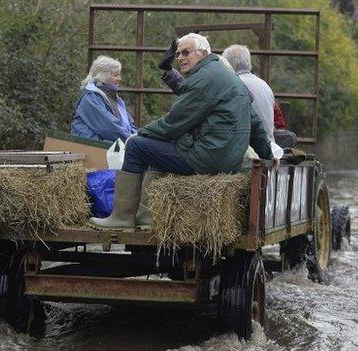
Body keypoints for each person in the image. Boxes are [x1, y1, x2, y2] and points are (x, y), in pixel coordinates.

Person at [89, 33, 272, 230]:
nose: (181, 58)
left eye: (186, 52)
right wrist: (268, 157)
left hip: (208, 157)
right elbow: (256, 125)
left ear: (203, 53)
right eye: (178, 54)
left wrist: (141, 133)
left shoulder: (204, 78)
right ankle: (144, 217)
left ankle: (122, 218)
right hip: (227, 159)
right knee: (156, 147)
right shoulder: (227, 77)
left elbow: (173, 123)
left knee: (136, 146)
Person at [71, 55, 137, 142]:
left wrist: (136, 137)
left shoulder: (115, 98)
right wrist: (134, 139)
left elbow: (130, 124)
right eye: (115, 75)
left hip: (107, 146)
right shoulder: (91, 98)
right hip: (91, 148)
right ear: (103, 76)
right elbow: (109, 128)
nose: (119, 79)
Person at [222, 45, 275, 145]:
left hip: (249, 147)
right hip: (269, 145)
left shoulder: (233, 84)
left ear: (228, 64)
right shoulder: (264, 85)